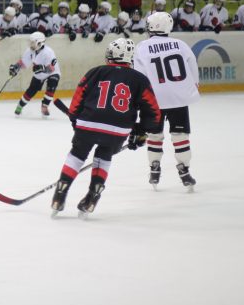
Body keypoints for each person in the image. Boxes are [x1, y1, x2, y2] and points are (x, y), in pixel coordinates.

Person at [50, 37, 161, 218]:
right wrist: (142, 131)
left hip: (88, 124)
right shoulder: (140, 79)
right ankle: (93, 195)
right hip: (118, 129)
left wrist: (75, 120)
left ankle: (60, 193)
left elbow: (79, 97)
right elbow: (153, 111)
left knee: (77, 154)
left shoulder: (95, 72)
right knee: (104, 155)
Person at [133, 12, 199, 190]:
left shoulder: (142, 47)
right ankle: (184, 168)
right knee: (180, 135)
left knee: (154, 135)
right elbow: (193, 69)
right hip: (178, 98)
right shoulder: (181, 45)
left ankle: (154, 166)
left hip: (154, 99)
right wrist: (191, 88)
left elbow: (139, 76)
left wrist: (141, 99)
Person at [8, 31, 61, 116]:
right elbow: (24, 62)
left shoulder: (48, 52)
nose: (31, 44)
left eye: (33, 42)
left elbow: (51, 69)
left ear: (39, 43)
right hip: (39, 75)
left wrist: (42, 68)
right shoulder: (30, 51)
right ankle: (20, 105)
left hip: (52, 73)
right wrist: (16, 67)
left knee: (52, 86)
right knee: (31, 90)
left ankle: (44, 106)